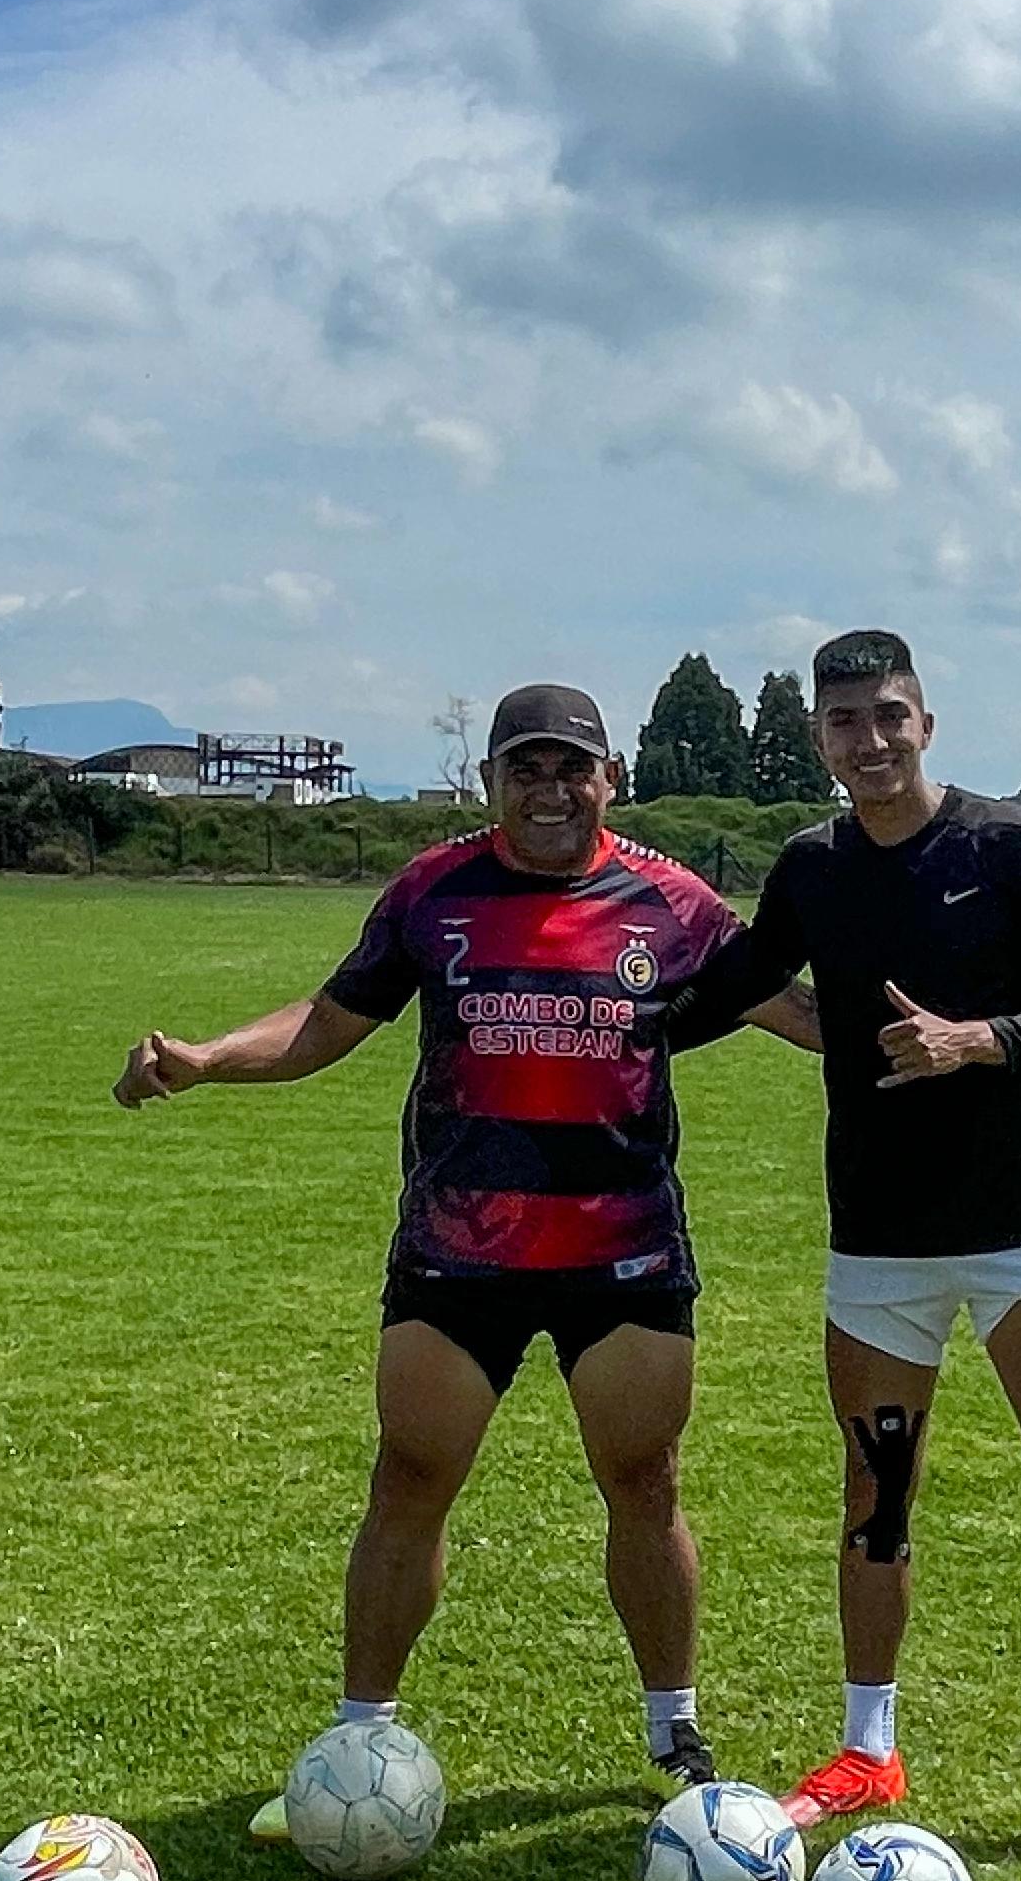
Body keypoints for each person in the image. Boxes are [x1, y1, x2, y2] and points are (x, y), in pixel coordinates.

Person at [115, 680, 812, 1822]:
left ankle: (672, 1724)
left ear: (611, 779)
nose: (550, 790)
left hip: (622, 1252)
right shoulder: (432, 891)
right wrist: (207, 1057)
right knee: (410, 1481)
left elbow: (785, 1009)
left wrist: (951, 1053)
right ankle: (359, 1737)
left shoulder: (672, 903)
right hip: (459, 1254)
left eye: (571, 768)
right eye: (524, 769)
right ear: (490, 782)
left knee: (645, 1484)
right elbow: (328, 1021)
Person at [671, 627, 1021, 1881]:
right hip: (881, 1255)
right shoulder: (813, 867)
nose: (871, 741)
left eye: (890, 716)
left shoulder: (1013, 844)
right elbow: (739, 980)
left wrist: (977, 1041)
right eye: (846, 721)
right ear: (819, 736)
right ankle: (870, 1748)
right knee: (878, 1500)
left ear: (927, 720)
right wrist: (622, 1030)